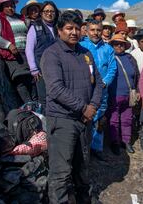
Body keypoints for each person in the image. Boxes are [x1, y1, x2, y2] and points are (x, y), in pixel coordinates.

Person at [41, 11, 103, 204]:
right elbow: (55, 89)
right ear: (59, 31)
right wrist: (84, 107)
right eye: (69, 28)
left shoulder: (85, 53)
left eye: (77, 28)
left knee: (82, 166)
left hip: (85, 120)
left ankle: (84, 199)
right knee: (61, 172)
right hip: (62, 120)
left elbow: (99, 83)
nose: (74, 32)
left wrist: (92, 106)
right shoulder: (51, 54)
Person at [80, 20, 117, 159]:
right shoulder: (81, 46)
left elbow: (112, 68)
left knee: (99, 119)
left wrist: (105, 82)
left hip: (102, 91)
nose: (96, 33)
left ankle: (96, 148)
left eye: (98, 30)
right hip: (85, 91)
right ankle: (84, 149)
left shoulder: (108, 49)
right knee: (85, 118)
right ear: (87, 31)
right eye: (93, 30)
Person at [0, 0, 37, 103]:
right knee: (20, 79)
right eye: (7, 6)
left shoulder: (21, 18)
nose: (11, 8)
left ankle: (36, 104)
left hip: (27, 52)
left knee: (32, 79)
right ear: (2, 7)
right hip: (12, 54)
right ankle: (28, 104)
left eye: (12, 5)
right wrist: (9, 45)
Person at [108, 34, 140, 154]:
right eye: (116, 44)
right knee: (114, 120)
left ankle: (126, 141)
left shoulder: (130, 58)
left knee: (127, 119)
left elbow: (137, 75)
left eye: (122, 44)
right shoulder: (109, 58)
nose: (119, 46)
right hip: (114, 94)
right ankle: (114, 142)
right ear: (112, 45)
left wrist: (137, 90)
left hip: (129, 95)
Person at [25, 1, 59, 113]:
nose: (49, 14)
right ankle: (46, 125)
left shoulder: (57, 28)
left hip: (57, 69)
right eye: (46, 11)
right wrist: (33, 69)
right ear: (41, 13)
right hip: (40, 70)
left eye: (52, 11)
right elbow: (29, 48)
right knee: (44, 98)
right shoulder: (35, 27)